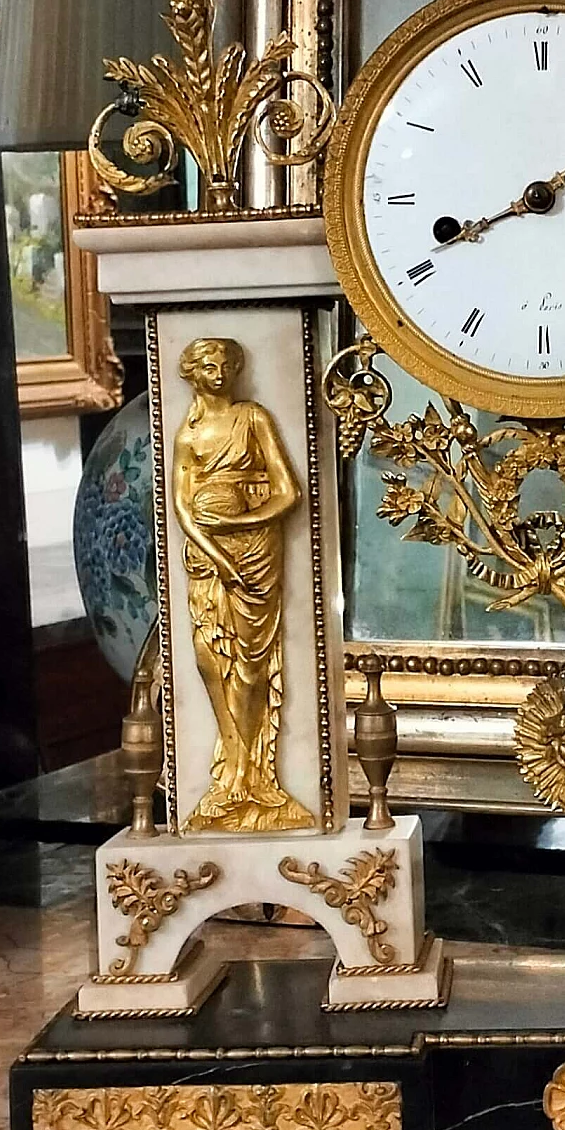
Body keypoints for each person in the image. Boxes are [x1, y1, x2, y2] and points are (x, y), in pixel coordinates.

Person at [172, 336, 315, 833]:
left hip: (256, 549)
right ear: (192, 373)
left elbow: (289, 492)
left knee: (252, 665)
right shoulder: (188, 434)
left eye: (224, 365)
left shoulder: (253, 418)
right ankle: (232, 760)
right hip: (207, 554)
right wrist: (216, 552)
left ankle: (250, 773)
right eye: (207, 366)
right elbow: (183, 510)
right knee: (207, 654)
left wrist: (242, 522)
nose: (218, 373)